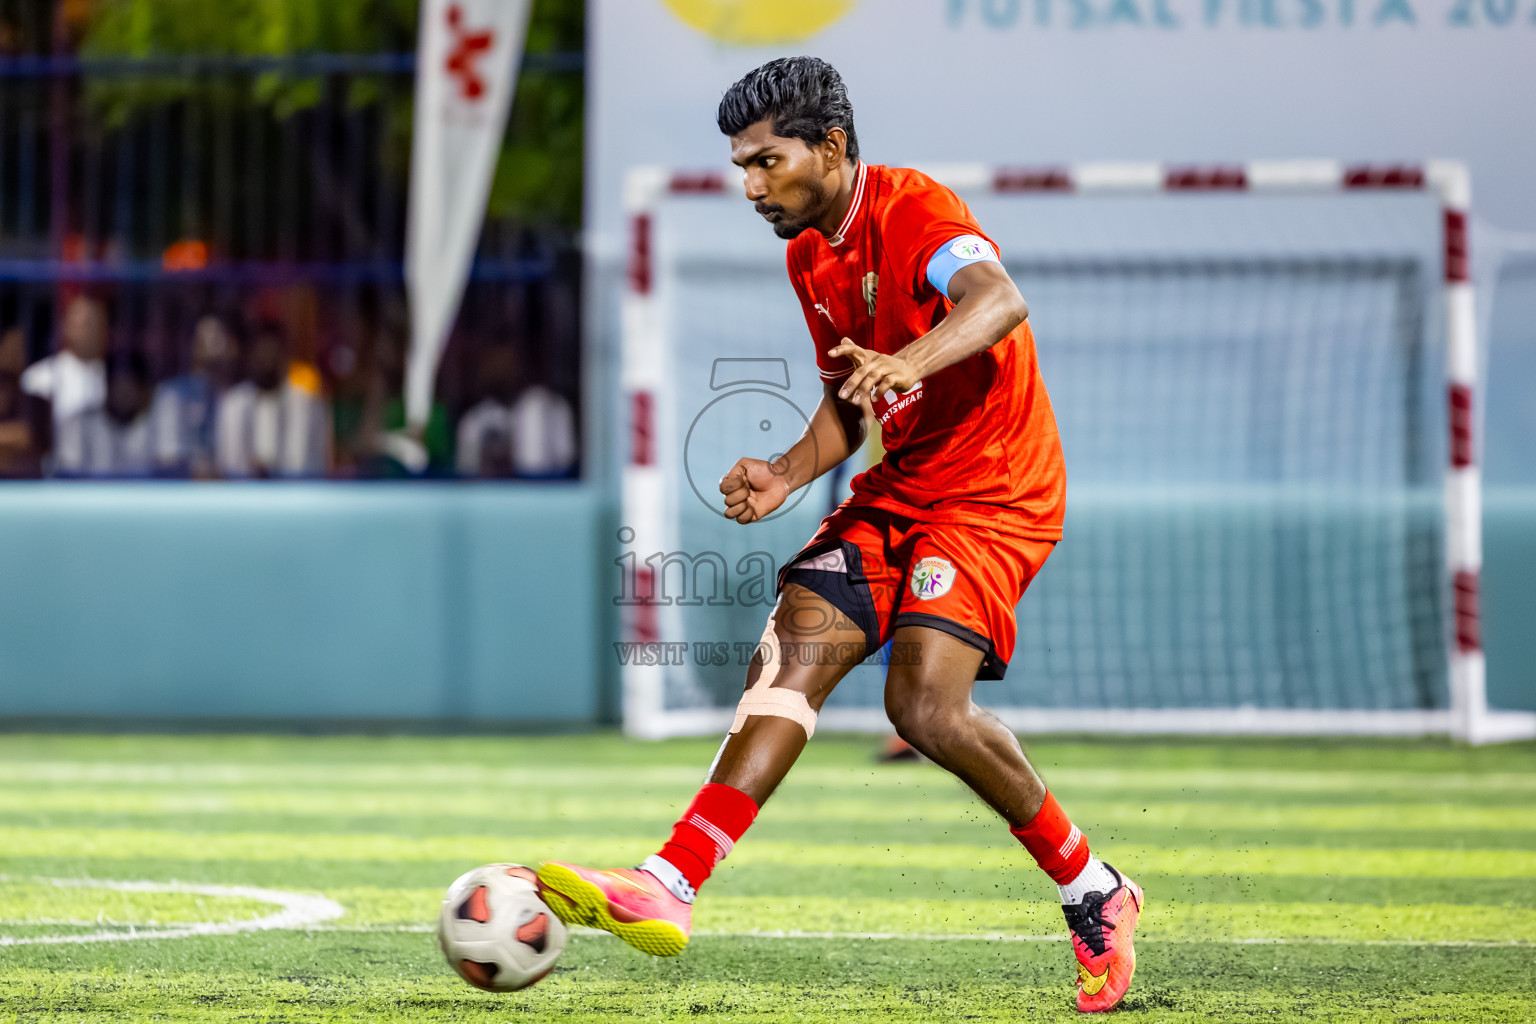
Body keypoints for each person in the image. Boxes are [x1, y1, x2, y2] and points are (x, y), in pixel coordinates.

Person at [535, 57, 1142, 1013]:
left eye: (766, 162)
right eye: (741, 167)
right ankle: (670, 880)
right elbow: (848, 404)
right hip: (904, 485)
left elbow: (997, 299)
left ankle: (1094, 889)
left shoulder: (913, 209)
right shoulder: (810, 255)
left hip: (995, 490)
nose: (751, 186)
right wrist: (786, 471)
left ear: (831, 146)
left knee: (924, 710)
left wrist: (912, 359)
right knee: (792, 643)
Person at [215, 322, 330, 478]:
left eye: (273, 350)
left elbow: (319, 464)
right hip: (242, 489)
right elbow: (224, 467)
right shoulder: (233, 404)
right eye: (261, 350)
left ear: (285, 356)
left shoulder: (307, 404)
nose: (267, 359)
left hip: (295, 487)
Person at [18, 293, 109, 476]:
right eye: (82, 323)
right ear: (65, 327)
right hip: (58, 476)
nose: (88, 331)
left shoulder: (116, 377)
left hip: (108, 475)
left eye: (94, 323)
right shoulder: (40, 377)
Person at [455, 344, 577, 479]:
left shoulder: (545, 407)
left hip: (542, 486)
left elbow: (558, 464)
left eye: (508, 368)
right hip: (491, 489)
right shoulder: (474, 421)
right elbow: (468, 473)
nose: (501, 372)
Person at [151, 312, 241, 478]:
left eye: (219, 338)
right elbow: (167, 456)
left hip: (232, 488)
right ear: (192, 346)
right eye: (207, 339)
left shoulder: (239, 398)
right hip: (184, 489)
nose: (214, 348)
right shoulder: (171, 395)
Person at [0, 327, 47, 478]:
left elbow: (27, 436)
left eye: (20, 348)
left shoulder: (36, 401)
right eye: (8, 346)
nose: (13, 354)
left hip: (28, 484)